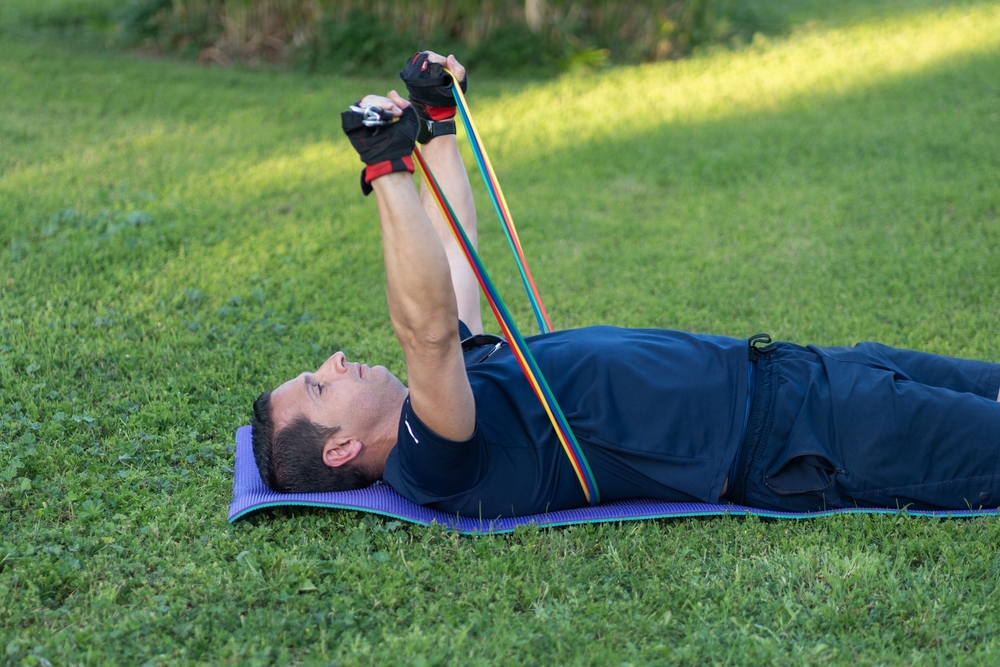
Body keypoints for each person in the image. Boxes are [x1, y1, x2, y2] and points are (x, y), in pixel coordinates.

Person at [251, 52, 1000, 518]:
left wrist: (438, 118)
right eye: (321, 387)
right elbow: (426, 329)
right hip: (806, 440)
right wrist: (386, 169)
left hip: (804, 369)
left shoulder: (454, 392)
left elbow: (458, 252)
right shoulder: (433, 458)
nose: (337, 361)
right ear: (345, 449)